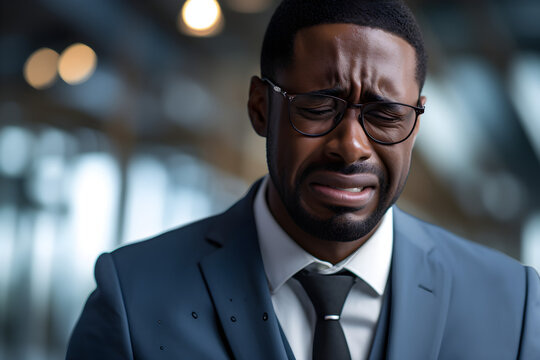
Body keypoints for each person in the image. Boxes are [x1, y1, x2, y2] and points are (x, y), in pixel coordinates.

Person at [67, 0, 540, 359]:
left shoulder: (512, 307)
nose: (351, 145)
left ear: (416, 122)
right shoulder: (132, 299)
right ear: (260, 106)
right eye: (317, 106)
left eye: (386, 115)